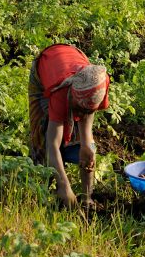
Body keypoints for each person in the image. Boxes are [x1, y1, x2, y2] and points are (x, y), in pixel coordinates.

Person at [27, 43, 110, 209]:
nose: (82, 115)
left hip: (76, 59)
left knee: (86, 142)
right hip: (47, 65)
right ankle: (46, 182)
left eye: (87, 111)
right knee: (44, 128)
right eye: (78, 108)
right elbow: (52, 144)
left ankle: (87, 198)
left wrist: (86, 145)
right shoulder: (60, 92)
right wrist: (64, 186)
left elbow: (87, 112)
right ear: (71, 96)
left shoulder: (100, 82)